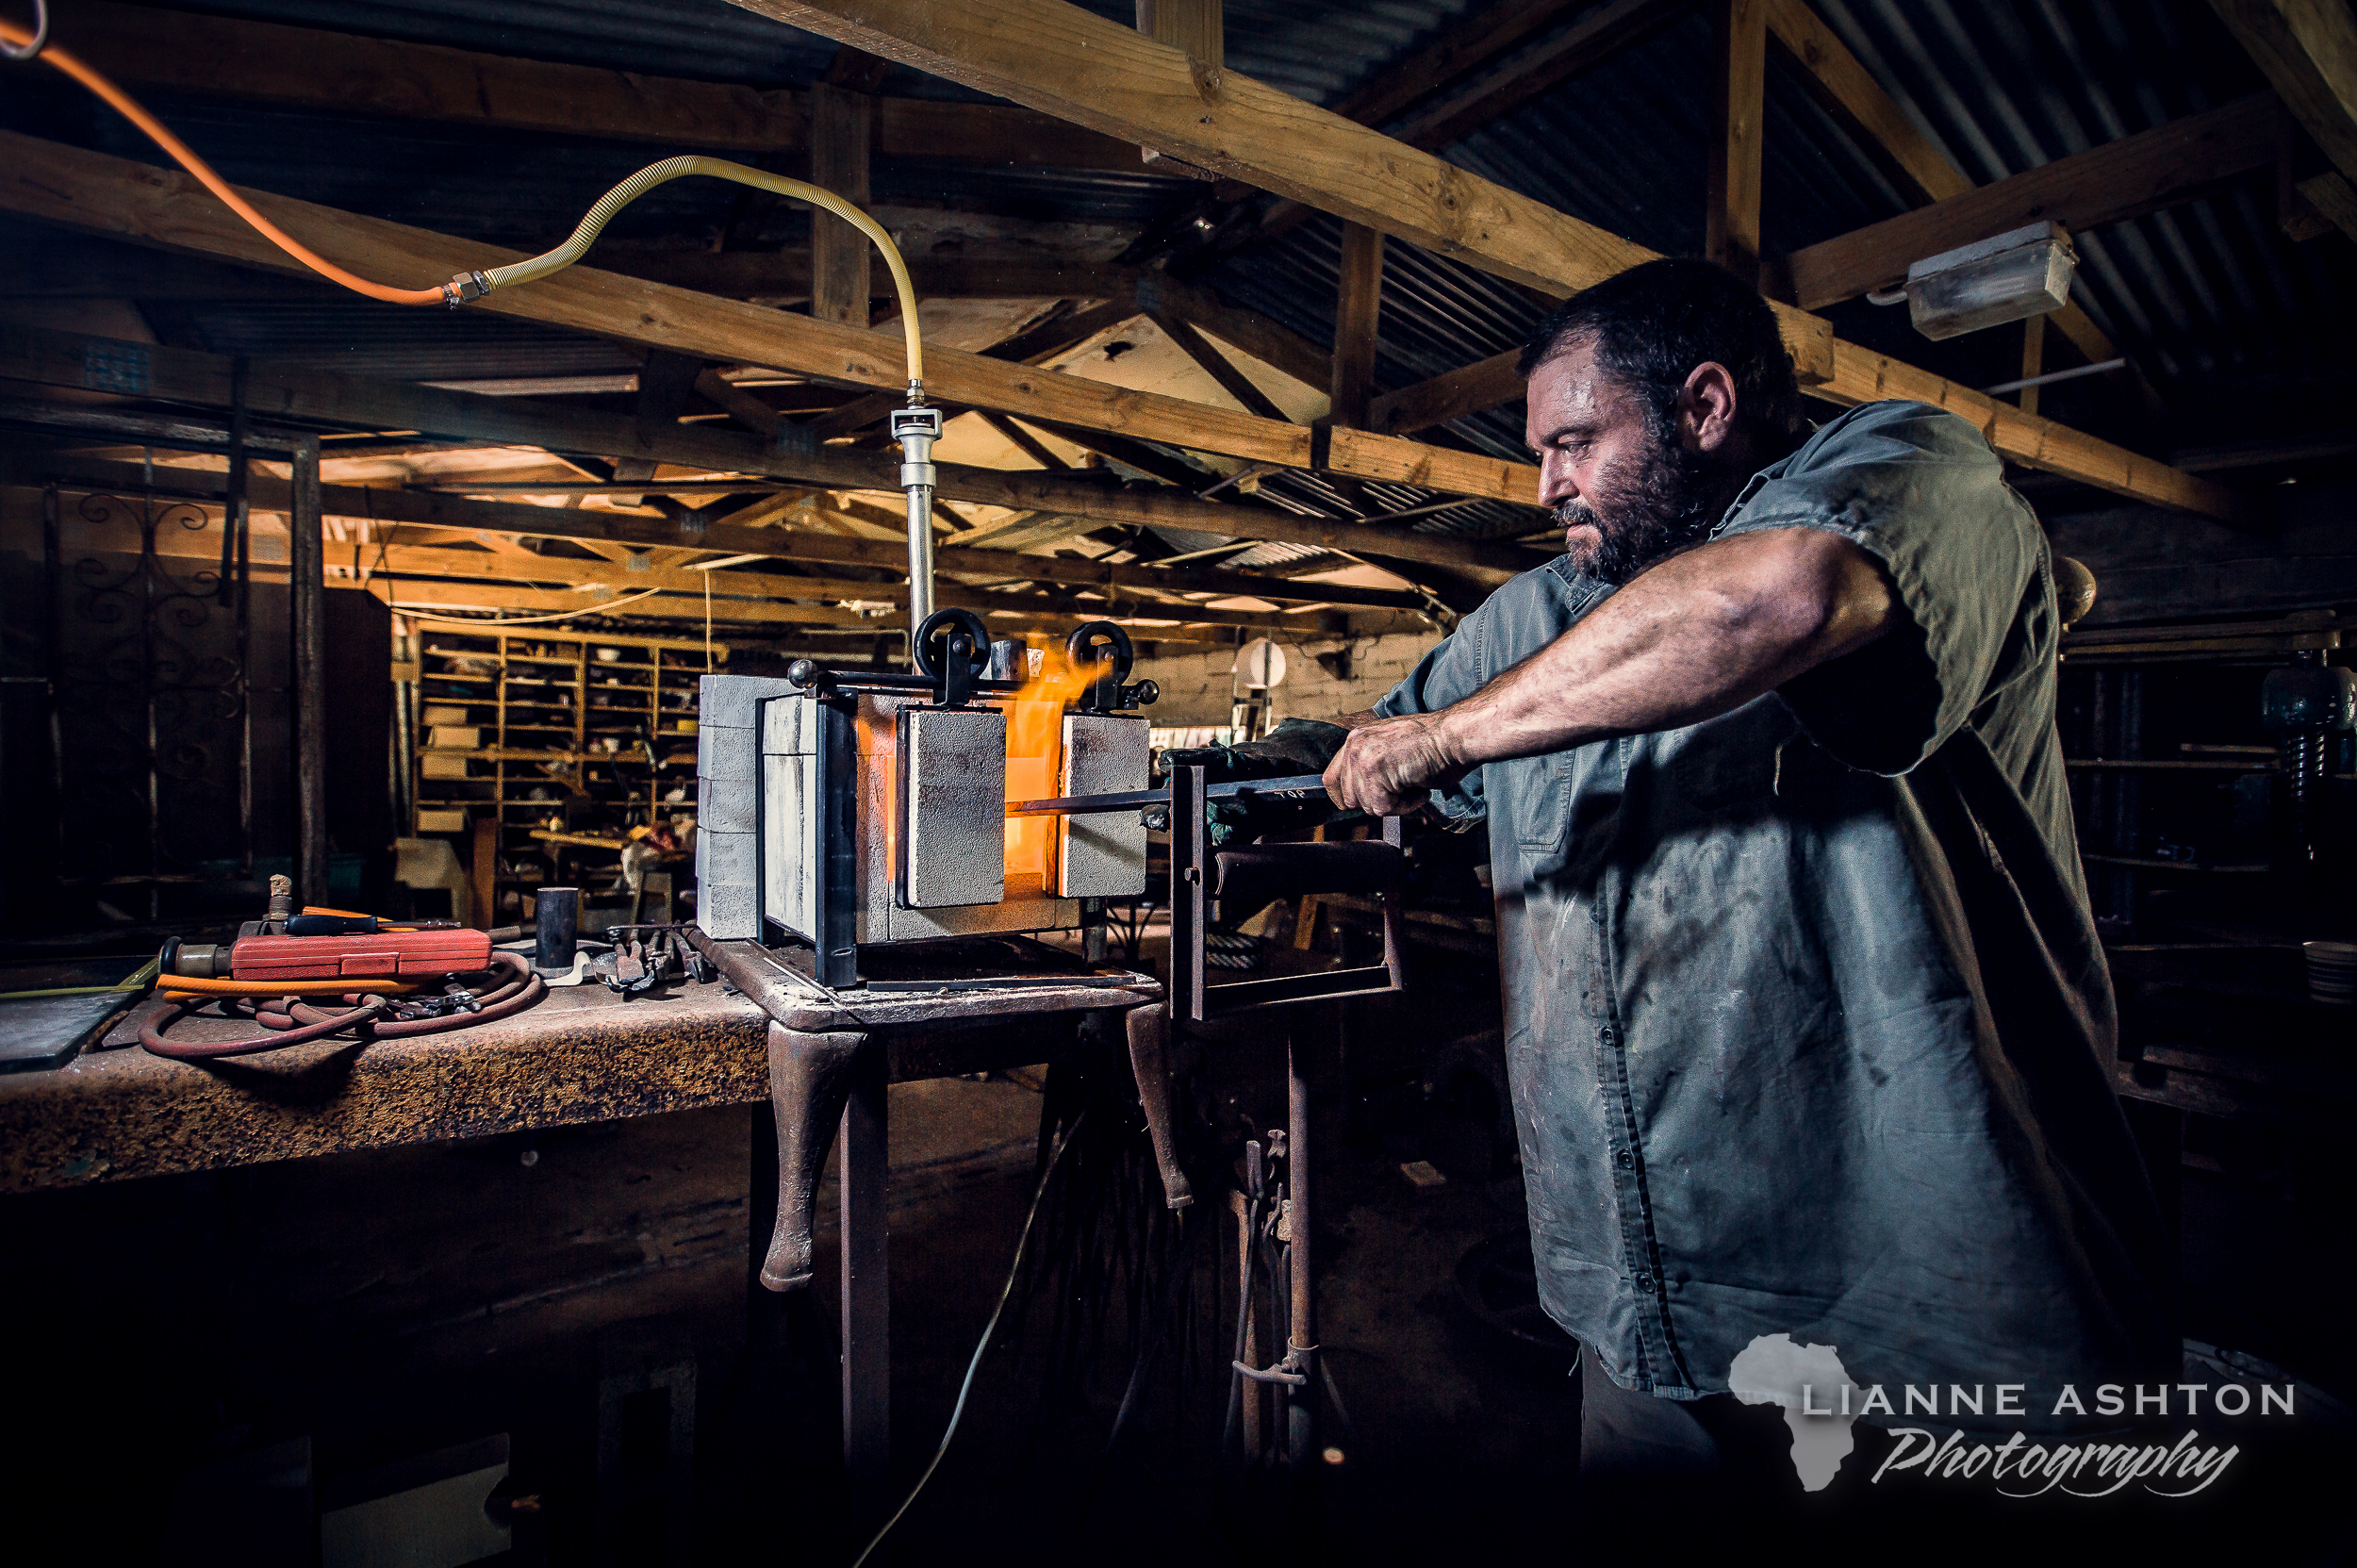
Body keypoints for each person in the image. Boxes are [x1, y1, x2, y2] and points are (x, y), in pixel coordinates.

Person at [1170, 258, 2177, 1487]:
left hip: (1920, 1305)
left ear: (1705, 406)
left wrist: (1452, 735)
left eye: (1576, 443)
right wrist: (1208, 792)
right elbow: (1370, 747)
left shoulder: (1918, 474)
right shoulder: (1533, 619)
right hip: (1644, 1295)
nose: (1546, 485)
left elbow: (1779, 598)